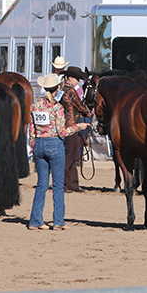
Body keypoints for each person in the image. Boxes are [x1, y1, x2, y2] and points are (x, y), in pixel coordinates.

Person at [28, 73, 89, 231]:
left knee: (41, 184)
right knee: (57, 185)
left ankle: (35, 220)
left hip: (39, 145)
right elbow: (62, 132)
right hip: (54, 144)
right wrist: (79, 127)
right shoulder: (57, 108)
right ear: (56, 90)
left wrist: (34, 146)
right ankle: (58, 221)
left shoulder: (35, 106)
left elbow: (32, 131)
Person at [59, 66, 91, 193]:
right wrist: (87, 112)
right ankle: (65, 182)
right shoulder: (71, 91)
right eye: (77, 78)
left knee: (72, 153)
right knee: (71, 154)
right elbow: (80, 106)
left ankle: (73, 182)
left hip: (65, 124)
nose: (79, 81)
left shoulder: (62, 89)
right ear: (71, 78)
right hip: (72, 125)